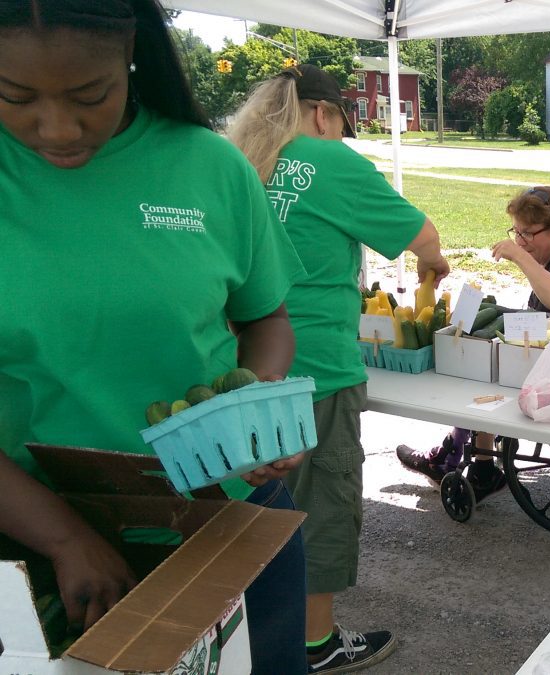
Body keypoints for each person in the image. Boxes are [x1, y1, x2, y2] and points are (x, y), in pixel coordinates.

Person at [0, 1, 310, 673]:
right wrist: (65, 539)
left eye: (90, 96)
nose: (56, 128)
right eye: (15, 96)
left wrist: (253, 405)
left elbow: (267, 321)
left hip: (225, 519)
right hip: (36, 535)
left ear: (131, 55)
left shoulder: (210, 167)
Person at [228, 64, 451, 673]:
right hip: (316, 366)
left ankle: (250, 635)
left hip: (235, 367)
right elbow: (422, 237)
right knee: (319, 504)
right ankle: (316, 644)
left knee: (251, 504)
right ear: (324, 114)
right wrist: (436, 265)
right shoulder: (331, 161)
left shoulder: (238, 161)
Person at [396, 186, 550, 494]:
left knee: (482, 378)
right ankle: (473, 462)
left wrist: (519, 255)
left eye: (528, 234)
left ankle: (462, 461)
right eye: (517, 233)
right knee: (487, 358)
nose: (521, 241)